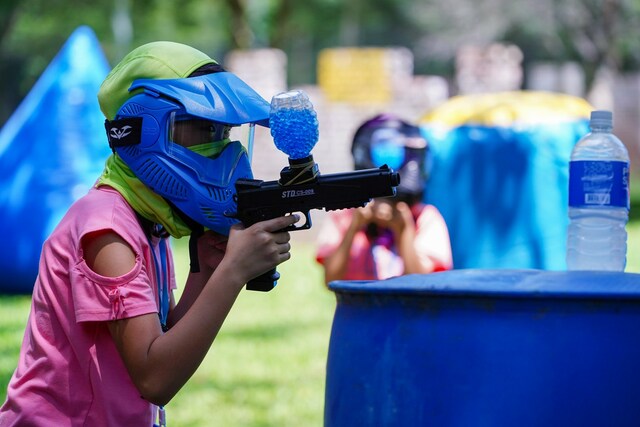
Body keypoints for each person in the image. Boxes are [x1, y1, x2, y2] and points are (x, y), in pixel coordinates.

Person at [0, 41, 297, 426]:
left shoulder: (146, 221)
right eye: (204, 129)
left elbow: (161, 339)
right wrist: (232, 273)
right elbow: (155, 377)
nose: (221, 151)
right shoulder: (106, 231)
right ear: (147, 131)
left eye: (224, 133)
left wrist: (207, 270)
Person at [316, 114, 453, 284]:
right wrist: (354, 228)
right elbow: (331, 280)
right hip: (358, 310)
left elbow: (423, 284)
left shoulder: (425, 218)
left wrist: (404, 230)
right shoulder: (344, 216)